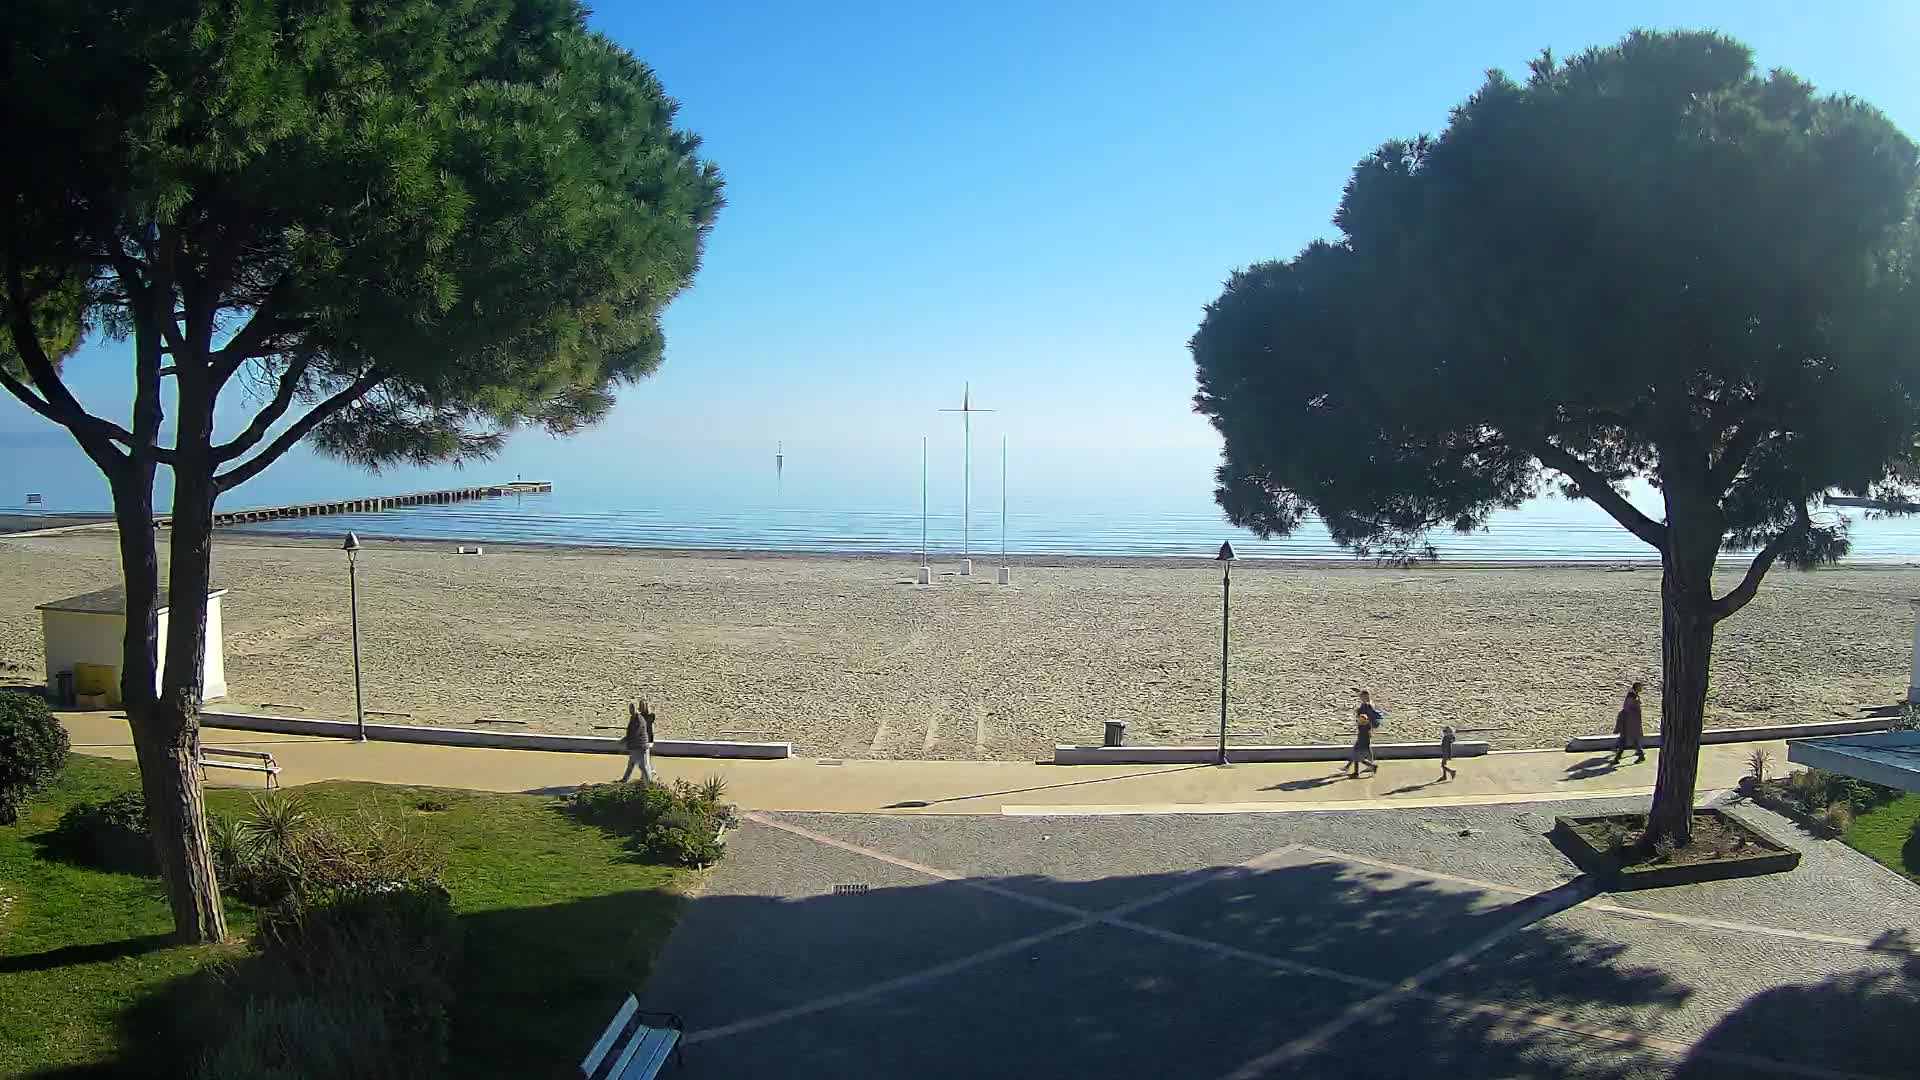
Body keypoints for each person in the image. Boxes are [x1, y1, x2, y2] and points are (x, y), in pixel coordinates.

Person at [621, 699, 658, 783]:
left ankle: (648, 781)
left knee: (643, 765)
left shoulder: (642, 717)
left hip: (642, 744)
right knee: (633, 764)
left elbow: (637, 732)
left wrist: (628, 740)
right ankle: (625, 779)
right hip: (639, 744)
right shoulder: (636, 717)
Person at [1347, 691, 1381, 777]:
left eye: (1362, 697)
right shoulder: (1369, 704)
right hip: (1365, 731)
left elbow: (1365, 717)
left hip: (1364, 731)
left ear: (1365, 696)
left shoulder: (1367, 705)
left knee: (1357, 753)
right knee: (1359, 751)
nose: (1360, 698)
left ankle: (1371, 766)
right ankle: (1359, 770)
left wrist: (1360, 717)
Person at [1612, 682, 1646, 765]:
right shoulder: (1633, 696)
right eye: (1640, 687)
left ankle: (1618, 758)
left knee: (1627, 740)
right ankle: (1640, 755)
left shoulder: (1633, 695)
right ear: (1636, 688)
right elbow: (1629, 709)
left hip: (1630, 722)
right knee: (1630, 740)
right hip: (1630, 722)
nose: (1641, 689)